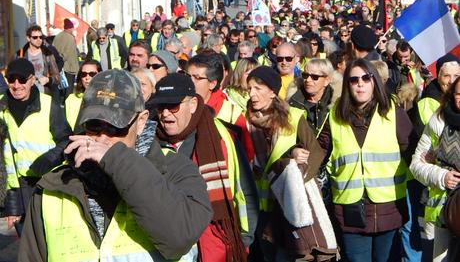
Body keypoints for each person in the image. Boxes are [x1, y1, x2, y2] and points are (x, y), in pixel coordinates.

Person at [18, 69, 212, 261]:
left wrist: (116, 159)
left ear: (142, 121)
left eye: (115, 127)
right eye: (94, 125)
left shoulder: (174, 168)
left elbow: (179, 237)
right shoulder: (54, 185)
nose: (103, 138)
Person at [152, 73, 258, 262]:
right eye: (161, 107)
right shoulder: (148, 141)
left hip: (216, 248)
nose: (165, 114)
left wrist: (245, 239)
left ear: (192, 104)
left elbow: (246, 192)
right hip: (167, 248)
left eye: (173, 106)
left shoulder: (223, 138)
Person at [318, 58, 412, 262]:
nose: (360, 83)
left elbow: (412, 153)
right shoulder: (335, 116)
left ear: (374, 81)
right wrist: (297, 154)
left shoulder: (393, 112)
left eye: (365, 78)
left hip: (389, 207)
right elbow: (319, 152)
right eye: (353, 80)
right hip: (350, 210)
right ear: (347, 84)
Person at [245, 66, 338, 261]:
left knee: (285, 256)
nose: (252, 94)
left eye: (258, 88)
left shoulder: (293, 116)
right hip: (256, 205)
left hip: (285, 205)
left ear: (272, 91)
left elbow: (315, 153)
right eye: (250, 88)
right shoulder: (243, 119)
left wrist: (297, 180)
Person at [1, 58, 72, 233]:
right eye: (12, 79)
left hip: (46, 185)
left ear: (32, 79)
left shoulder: (49, 105)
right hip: (17, 189)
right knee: (27, 247)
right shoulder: (1, 107)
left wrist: (49, 158)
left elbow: (66, 140)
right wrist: (11, 203)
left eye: (22, 79)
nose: (16, 85)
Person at [410, 76, 460, 262]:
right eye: (458, 94)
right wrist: (441, 175)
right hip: (443, 213)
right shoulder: (438, 121)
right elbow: (416, 165)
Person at [187, 53, 255, 162]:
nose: (189, 81)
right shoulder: (179, 106)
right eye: (187, 76)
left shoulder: (232, 114)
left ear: (212, 84)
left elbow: (247, 154)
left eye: (197, 77)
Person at [16, 25, 61, 96]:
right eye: (35, 37)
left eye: (41, 37)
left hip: (44, 93)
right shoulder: (20, 55)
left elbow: (57, 77)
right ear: (28, 38)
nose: (39, 39)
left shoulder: (47, 54)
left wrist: (48, 80)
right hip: (26, 94)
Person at [65, 60, 102, 129]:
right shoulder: (72, 98)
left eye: (92, 74)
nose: (87, 78)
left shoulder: (106, 99)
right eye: (84, 74)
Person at [53, 18, 79, 97]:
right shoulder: (70, 38)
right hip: (69, 67)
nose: (73, 29)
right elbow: (67, 53)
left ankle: (61, 102)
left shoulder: (57, 36)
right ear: (70, 28)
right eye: (72, 28)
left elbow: (53, 50)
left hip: (59, 67)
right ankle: (67, 104)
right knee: (69, 90)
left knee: (61, 87)